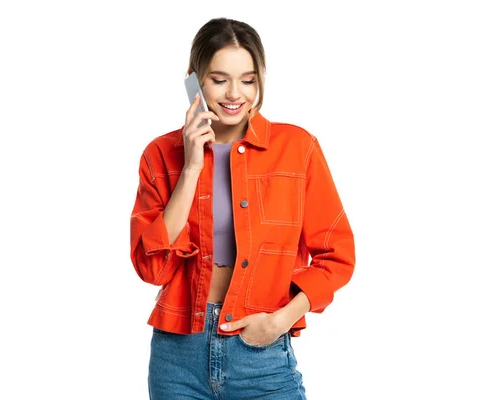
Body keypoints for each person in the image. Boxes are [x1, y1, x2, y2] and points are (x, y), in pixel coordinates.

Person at [129, 17, 356, 400]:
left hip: (262, 355)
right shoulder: (160, 154)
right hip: (178, 356)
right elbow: (152, 268)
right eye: (219, 79)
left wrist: (281, 321)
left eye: (248, 80)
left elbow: (338, 256)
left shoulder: (297, 149)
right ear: (194, 79)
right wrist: (191, 167)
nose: (235, 93)